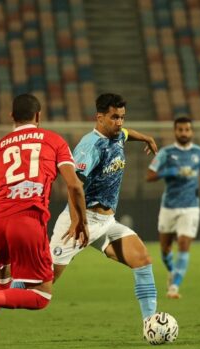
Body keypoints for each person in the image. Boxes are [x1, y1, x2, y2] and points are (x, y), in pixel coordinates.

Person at [0, 93, 88, 349]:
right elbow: (74, 185)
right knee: (41, 297)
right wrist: (82, 221)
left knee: (0, 280)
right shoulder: (53, 141)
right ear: (38, 116)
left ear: (12, 117)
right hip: (28, 219)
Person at [11, 94, 159, 323]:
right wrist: (76, 221)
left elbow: (127, 134)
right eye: (114, 117)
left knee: (142, 259)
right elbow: (74, 187)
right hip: (80, 220)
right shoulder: (90, 146)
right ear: (99, 118)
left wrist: (146, 138)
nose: (120, 122)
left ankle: (150, 323)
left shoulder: (117, 135)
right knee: (41, 283)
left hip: (106, 223)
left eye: (122, 117)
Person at [145, 117, 200, 299]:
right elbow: (149, 176)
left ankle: (174, 286)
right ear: (175, 131)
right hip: (169, 207)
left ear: (192, 132)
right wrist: (167, 172)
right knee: (165, 249)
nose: (184, 133)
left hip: (191, 206)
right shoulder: (165, 153)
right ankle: (172, 271)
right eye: (180, 130)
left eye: (187, 129)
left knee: (183, 244)